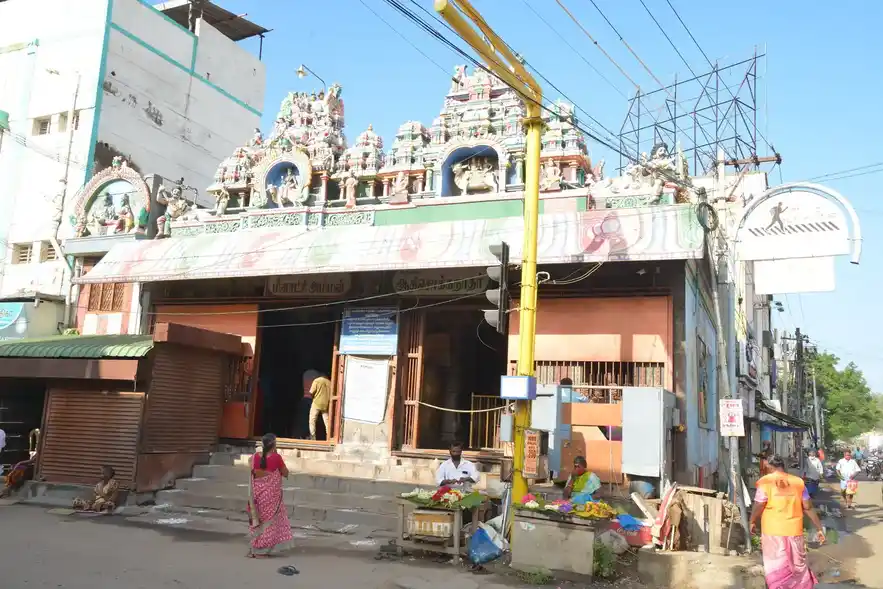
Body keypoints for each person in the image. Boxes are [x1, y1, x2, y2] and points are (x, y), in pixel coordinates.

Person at [750, 455, 825, 589]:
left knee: (776, 566)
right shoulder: (798, 482)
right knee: (797, 566)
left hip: (773, 532)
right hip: (794, 531)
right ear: (783, 466)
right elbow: (808, 507)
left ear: (770, 467)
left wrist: (752, 521)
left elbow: (759, 504)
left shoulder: (765, 482)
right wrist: (819, 528)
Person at [247, 433, 293, 558]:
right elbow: (285, 473)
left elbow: (253, 470)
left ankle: (254, 548)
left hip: (257, 496)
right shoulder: (276, 458)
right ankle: (261, 551)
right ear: (274, 445)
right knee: (269, 523)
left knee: (259, 520)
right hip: (271, 496)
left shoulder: (254, 457)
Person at [303, 370, 331, 441]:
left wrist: (313, 397)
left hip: (316, 403)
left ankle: (313, 437)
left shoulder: (317, 380)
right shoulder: (329, 382)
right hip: (325, 404)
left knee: (312, 420)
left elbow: (311, 392)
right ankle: (329, 436)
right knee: (327, 421)